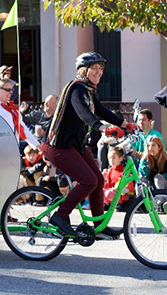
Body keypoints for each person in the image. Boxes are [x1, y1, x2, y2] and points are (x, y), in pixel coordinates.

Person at [41, 52, 128, 237]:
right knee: (89, 180)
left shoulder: (89, 90)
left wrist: (125, 124)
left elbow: (102, 110)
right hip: (58, 145)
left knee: (98, 180)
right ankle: (60, 216)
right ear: (83, 71)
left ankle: (99, 227)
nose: (98, 72)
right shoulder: (77, 89)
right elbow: (83, 113)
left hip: (74, 145)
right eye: (94, 68)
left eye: (100, 68)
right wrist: (101, 127)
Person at [0, 78, 39, 148]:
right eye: (7, 90)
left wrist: (37, 145)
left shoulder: (12, 107)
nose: (11, 92)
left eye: (12, 90)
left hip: (12, 147)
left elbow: (22, 127)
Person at [102, 147, 135, 212]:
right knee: (100, 190)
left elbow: (129, 186)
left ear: (120, 158)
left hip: (119, 195)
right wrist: (104, 178)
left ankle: (117, 204)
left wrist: (116, 189)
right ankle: (106, 203)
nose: (111, 160)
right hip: (109, 194)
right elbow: (106, 185)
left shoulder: (124, 171)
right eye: (110, 158)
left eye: (114, 158)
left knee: (109, 193)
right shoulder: (109, 171)